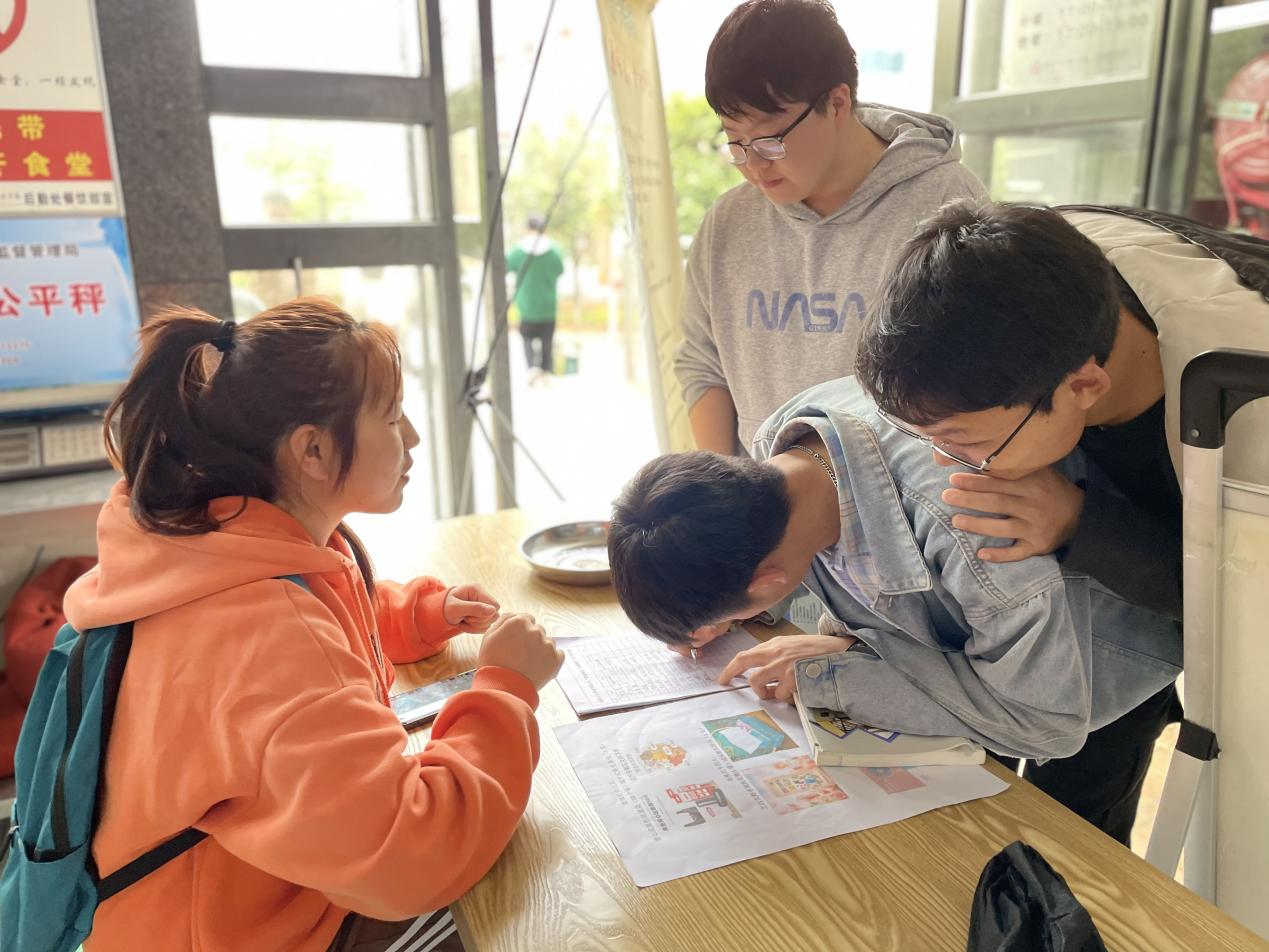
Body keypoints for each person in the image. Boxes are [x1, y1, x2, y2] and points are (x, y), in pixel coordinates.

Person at [68, 298, 564, 952]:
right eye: (392, 415)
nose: (413, 437)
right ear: (313, 449)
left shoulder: (210, 539)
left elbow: (318, 620)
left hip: (195, 908)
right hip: (248, 936)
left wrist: (416, 615)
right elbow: (410, 856)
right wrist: (504, 689)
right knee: (539, 902)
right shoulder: (265, 637)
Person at [853, 200, 1269, 843]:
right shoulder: (1014, 274)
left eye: (965, 442)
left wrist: (1082, 524)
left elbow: (1248, 610)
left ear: (1084, 388)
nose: (944, 463)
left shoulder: (1248, 419)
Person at [607, 376, 1182, 767]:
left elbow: (1045, 722)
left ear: (766, 583)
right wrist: (844, 642)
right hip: (998, 645)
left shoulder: (970, 524)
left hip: (1101, 651)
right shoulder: (790, 445)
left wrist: (833, 678)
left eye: (738, 612)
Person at [675, 0, 986, 457]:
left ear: (837, 102)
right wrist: (728, 481)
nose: (754, 164)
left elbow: (974, 382)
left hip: (904, 496)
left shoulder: (946, 204)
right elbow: (703, 364)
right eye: (735, 142)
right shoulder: (728, 221)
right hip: (762, 492)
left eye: (770, 140)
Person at [506, 214, 565, 383]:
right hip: (548, 304)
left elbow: (505, 266)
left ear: (527, 228)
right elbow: (560, 270)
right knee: (547, 339)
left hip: (527, 305)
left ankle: (532, 369)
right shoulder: (554, 251)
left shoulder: (518, 251)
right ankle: (546, 371)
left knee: (527, 338)